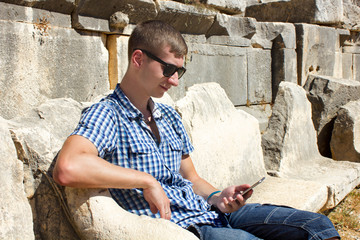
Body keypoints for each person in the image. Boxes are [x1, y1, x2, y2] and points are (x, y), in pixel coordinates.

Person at [53, 20, 340, 240]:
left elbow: (191, 179)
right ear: (138, 59)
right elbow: (68, 168)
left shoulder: (168, 116)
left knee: (318, 226)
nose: (175, 80)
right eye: (168, 69)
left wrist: (219, 196)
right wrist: (146, 181)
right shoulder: (108, 113)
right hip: (186, 227)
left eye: (180, 71)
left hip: (211, 212)